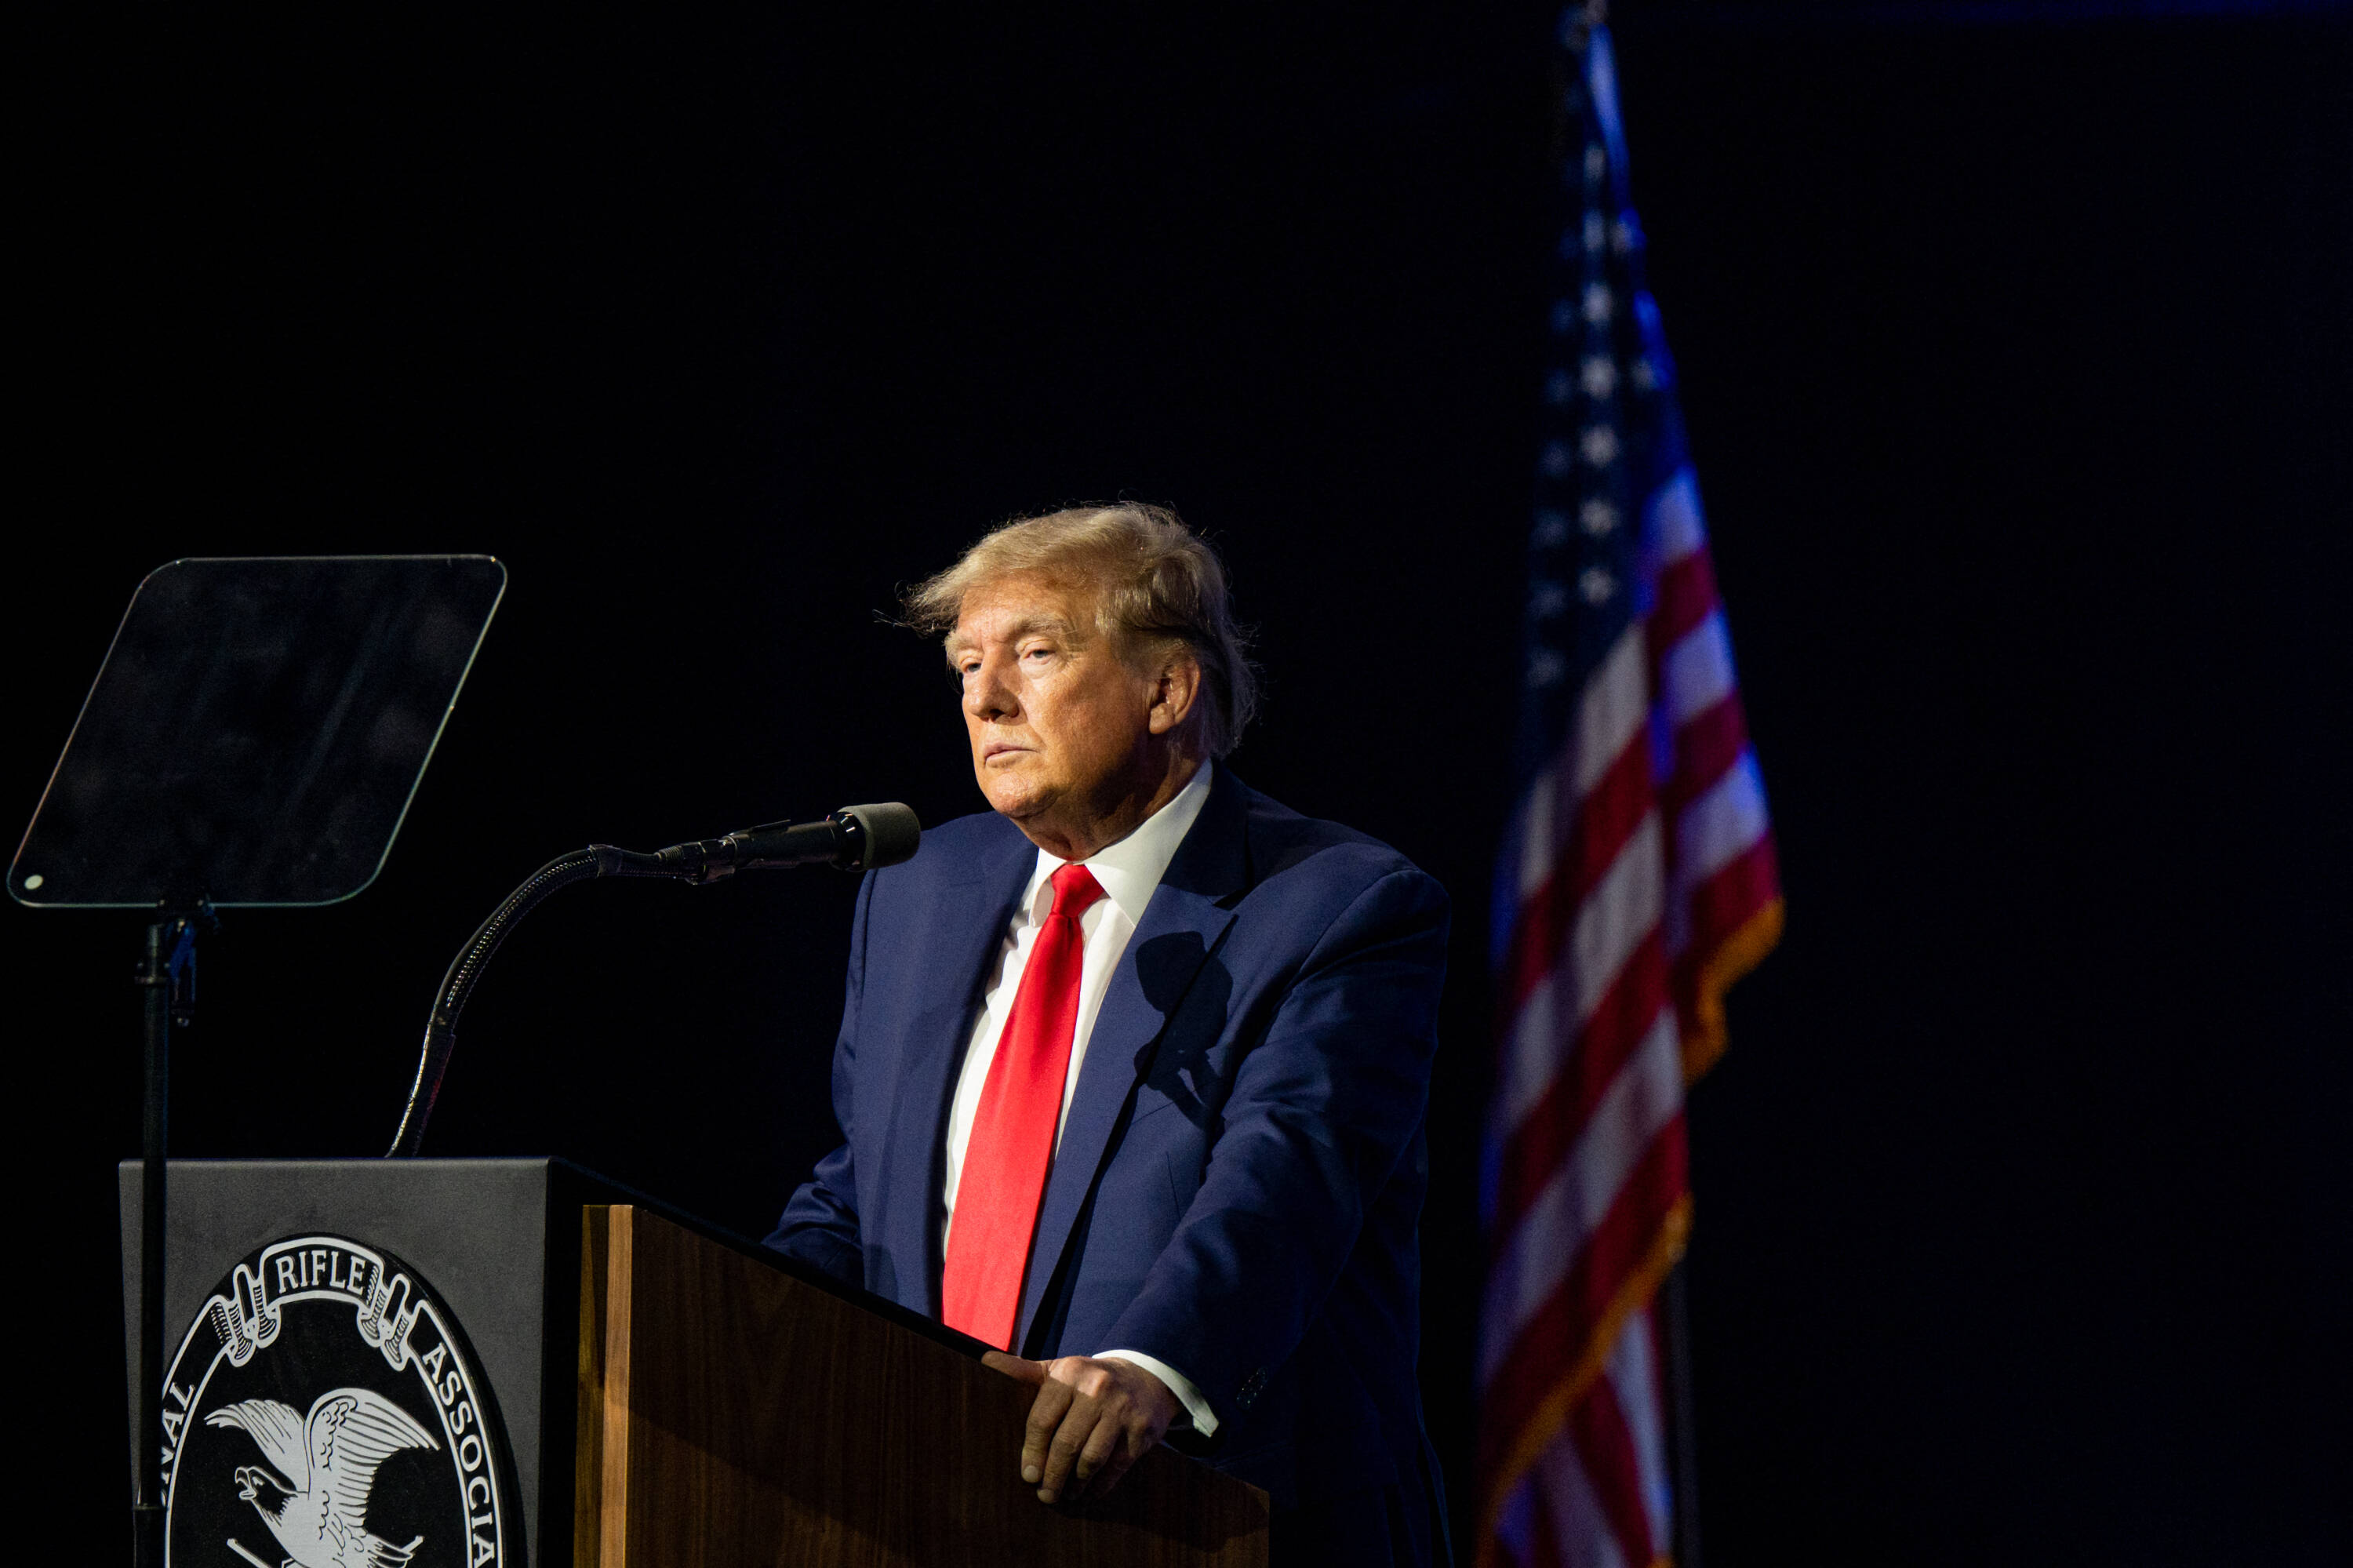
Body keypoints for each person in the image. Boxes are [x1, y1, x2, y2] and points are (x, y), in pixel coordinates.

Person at [767, 503, 1451, 1564]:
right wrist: (723, 1328)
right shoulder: (919, 891)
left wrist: (1151, 1369)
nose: (985, 699)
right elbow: (863, 1190)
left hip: (1224, 1519)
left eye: (1034, 654)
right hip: (926, 1510)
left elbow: (1283, 1188)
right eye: (964, 666)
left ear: (1167, 690)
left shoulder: (1338, 905)